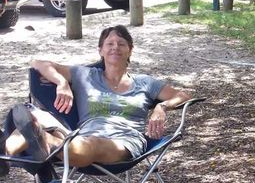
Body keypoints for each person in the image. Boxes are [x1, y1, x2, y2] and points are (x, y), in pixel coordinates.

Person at [1, 25, 192, 171]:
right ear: (100, 50)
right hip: (77, 138)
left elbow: (183, 95)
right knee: (32, 118)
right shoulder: (86, 75)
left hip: (124, 141)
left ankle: (43, 142)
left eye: (121, 44)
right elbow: (38, 63)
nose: (115, 47)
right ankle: (5, 155)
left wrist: (161, 107)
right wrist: (62, 82)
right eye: (109, 44)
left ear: (130, 50)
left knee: (91, 143)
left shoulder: (145, 83)